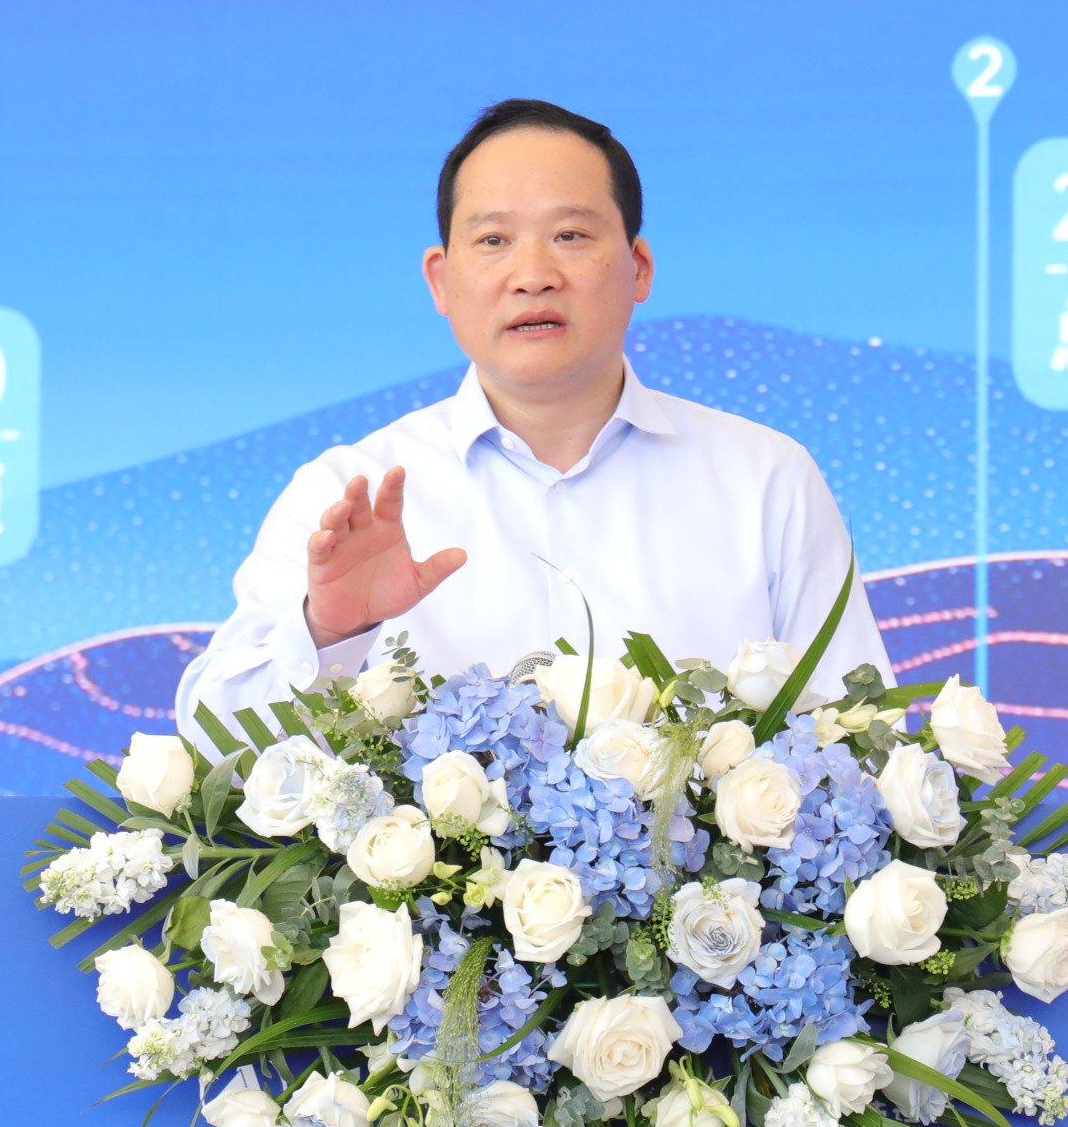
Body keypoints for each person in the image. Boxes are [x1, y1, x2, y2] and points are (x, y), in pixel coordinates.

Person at [173, 98, 889, 727]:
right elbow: (213, 743)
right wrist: (328, 632)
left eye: (570, 235)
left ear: (638, 267)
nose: (533, 275)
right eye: (493, 241)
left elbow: (863, 743)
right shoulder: (348, 494)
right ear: (441, 280)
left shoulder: (765, 480)